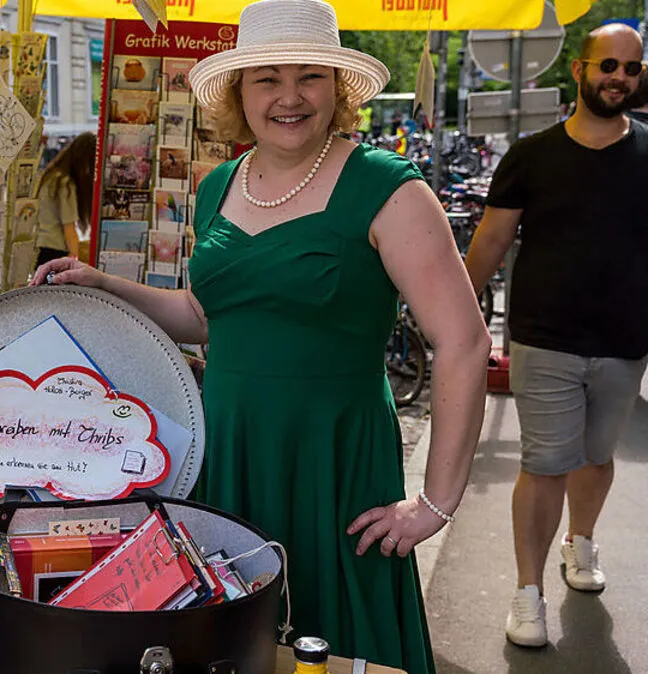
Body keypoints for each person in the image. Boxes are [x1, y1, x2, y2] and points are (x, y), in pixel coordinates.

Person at [33, 1, 491, 671]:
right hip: (229, 454)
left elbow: (465, 344)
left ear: (336, 89)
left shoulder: (389, 189)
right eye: (267, 78)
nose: (289, 96)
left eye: (310, 76)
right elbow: (209, 317)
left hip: (332, 461)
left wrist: (435, 503)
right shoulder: (220, 184)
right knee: (230, 642)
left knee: (336, 640)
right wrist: (105, 285)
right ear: (238, 93)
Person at [464, 23, 648, 649]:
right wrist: (456, 311)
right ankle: (527, 592)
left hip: (626, 341)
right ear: (578, 69)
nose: (618, 77)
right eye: (608, 65)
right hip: (544, 338)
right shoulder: (531, 156)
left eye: (630, 67)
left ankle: (582, 540)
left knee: (597, 458)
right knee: (544, 464)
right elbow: (489, 241)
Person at [33, 131, 96, 265]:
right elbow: (69, 227)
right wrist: (75, 258)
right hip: (55, 250)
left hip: (41, 246)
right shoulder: (65, 184)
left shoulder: (51, 176)